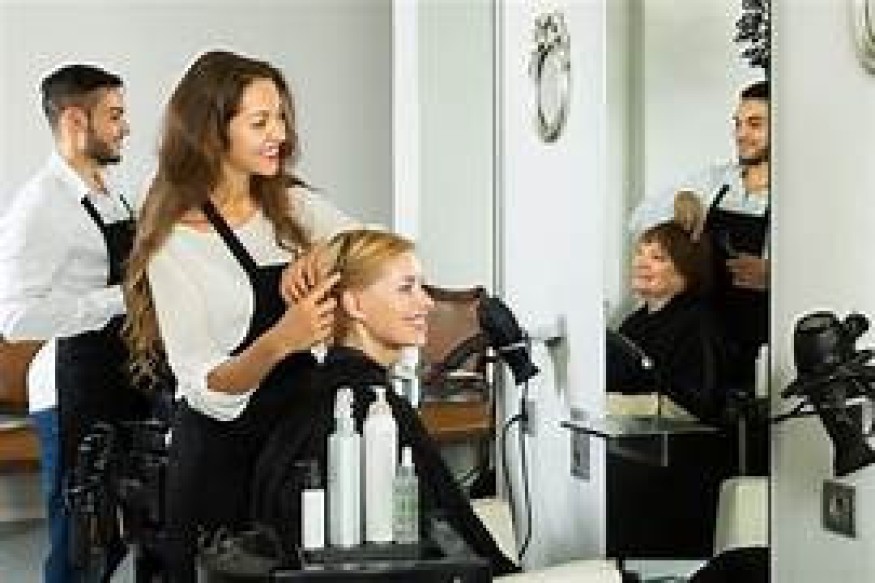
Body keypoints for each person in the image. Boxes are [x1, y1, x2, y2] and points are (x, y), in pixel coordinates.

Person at [123, 50, 355, 581]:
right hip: (218, 464)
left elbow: (378, 246)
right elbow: (205, 386)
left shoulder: (292, 207)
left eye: (281, 119)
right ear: (212, 131)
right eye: (260, 122)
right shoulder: (175, 241)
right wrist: (282, 339)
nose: (281, 135)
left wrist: (324, 254)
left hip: (294, 453)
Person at [251, 228, 519, 576]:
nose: (427, 302)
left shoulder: (324, 388)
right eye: (406, 288)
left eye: (421, 287)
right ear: (354, 305)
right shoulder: (370, 407)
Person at [0, 64, 152, 582]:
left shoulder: (111, 194)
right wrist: (118, 300)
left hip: (120, 379)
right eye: (114, 115)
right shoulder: (39, 206)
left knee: (114, 539)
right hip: (71, 391)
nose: (125, 127)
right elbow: (15, 318)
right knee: (77, 546)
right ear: (74, 120)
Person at [629, 81, 770, 389]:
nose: (741, 134)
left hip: (759, 346)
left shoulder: (796, 196)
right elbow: (638, 221)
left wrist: (774, 277)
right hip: (702, 340)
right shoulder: (714, 181)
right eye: (738, 124)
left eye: (755, 124)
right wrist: (680, 200)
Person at [607, 220, 730, 424]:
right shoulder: (632, 324)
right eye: (639, 253)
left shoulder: (699, 323)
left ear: (686, 271)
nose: (641, 263)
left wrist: (614, 405)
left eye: (657, 258)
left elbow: (696, 405)